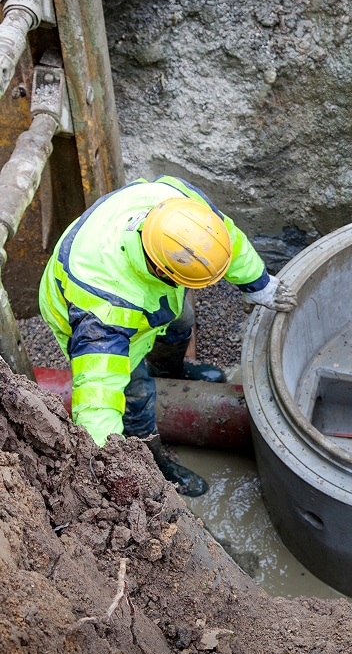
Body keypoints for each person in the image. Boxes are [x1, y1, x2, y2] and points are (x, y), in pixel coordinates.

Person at [38, 175, 297, 495]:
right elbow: (98, 398)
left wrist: (259, 285)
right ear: (162, 271)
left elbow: (226, 238)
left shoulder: (182, 208)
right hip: (78, 301)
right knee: (136, 395)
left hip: (132, 282)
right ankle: (153, 460)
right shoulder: (104, 317)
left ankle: (168, 370)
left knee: (180, 319)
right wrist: (106, 467)